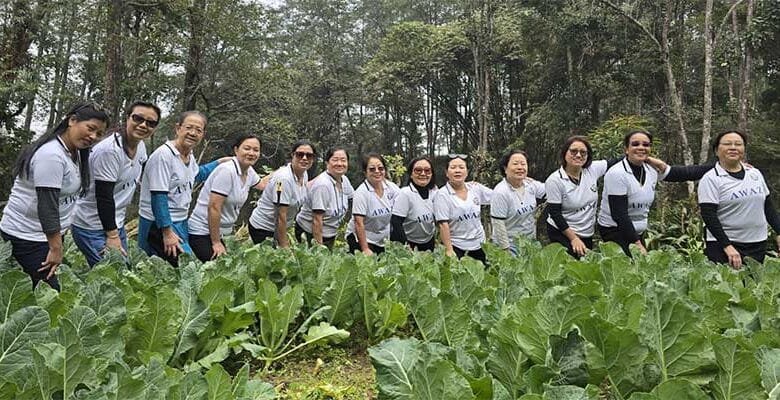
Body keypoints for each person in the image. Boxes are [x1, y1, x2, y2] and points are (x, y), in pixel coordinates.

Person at [0, 102, 108, 289]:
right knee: (49, 294)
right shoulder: (51, 155)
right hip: (27, 236)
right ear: (72, 120)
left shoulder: (74, 153)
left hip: (45, 237)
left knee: (41, 292)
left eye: (99, 134)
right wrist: (55, 248)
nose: (93, 136)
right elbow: (47, 206)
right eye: (90, 128)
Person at [71, 101, 160, 267]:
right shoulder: (110, 151)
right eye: (138, 118)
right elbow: (104, 197)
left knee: (120, 275)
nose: (143, 125)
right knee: (113, 276)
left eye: (150, 123)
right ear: (127, 118)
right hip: (92, 225)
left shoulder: (140, 147)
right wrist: (112, 236)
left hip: (116, 223)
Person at [597, 130, 714, 256]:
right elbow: (619, 214)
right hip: (614, 229)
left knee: (638, 268)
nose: (641, 147)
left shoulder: (651, 169)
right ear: (626, 149)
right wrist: (637, 244)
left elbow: (685, 173)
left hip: (637, 231)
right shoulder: (617, 173)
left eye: (646, 145)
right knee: (625, 268)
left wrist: (721, 165)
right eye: (635, 144)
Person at [137, 110, 230, 266]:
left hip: (179, 221)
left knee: (167, 269)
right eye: (189, 128)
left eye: (198, 130)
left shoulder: (188, 155)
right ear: (178, 128)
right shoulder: (164, 155)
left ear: (203, 134)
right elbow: (158, 196)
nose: (193, 133)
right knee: (186, 267)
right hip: (159, 224)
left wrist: (219, 162)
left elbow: (196, 174)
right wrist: (167, 233)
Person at [698, 130, 780, 269]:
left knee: (753, 288)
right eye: (727, 144)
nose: (733, 147)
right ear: (716, 150)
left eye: (738, 144)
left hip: (757, 243)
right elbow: (708, 215)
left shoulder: (754, 173)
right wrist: (727, 246)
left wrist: (779, 232)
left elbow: (767, 207)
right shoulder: (711, 179)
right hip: (725, 246)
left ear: (744, 149)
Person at [188, 134, 268, 262]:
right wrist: (216, 243)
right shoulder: (227, 171)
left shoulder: (249, 171)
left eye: (256, 150)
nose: (251, 153)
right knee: (217, 271)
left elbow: (263, 185)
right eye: (247, 148)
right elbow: (214, 207)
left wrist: (284, 171)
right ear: (236, 150)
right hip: (203, 232)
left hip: (223, 233)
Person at [248, 140, 315, 247]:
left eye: (309, 155)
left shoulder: (303, 173)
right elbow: (280, 216)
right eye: (300, 154)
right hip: (263, 228)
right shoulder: (284, 179)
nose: (304, 158)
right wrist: (284, 246)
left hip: (278, 228)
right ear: (292, 155)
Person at [433, 154, 493, 264]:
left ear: (467, 172)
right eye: (453, 167)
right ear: (446, 173)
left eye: (461, 167)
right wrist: (449, 250)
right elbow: (443, 224)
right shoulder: (442, 194)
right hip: (457, 246)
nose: (457, 171)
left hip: (480, 244)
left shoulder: (475, 188)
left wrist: (516, 180)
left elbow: (497, 196)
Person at [295, 147, 354, 249]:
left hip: (329, 233)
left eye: (343, 160)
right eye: (335, 160)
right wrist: (319, 247)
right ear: (327, 163)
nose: (340, 163)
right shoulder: (323, 185)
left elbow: (354, 199)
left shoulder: (344, 180)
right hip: (310, 233)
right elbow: (317, 220)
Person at [490, 150, 545, 254]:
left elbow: (551, 190)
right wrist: (506, 252)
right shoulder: (501, 192)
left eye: (523, 164)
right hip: (508, 246)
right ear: (505, 168)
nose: (520, 167)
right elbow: (498, 224)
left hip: (529, 244)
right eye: (515, 164)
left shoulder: (531, 185)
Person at [345, 153, 400, 255]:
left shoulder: (392, 188)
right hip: (361, 238)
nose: (377, 172)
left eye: (380, 168)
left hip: (382, 239)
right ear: (365, 172)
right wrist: (365, 249)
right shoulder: (361, 193)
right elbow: (358, 223)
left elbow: (401, 212)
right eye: (372, 169)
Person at [390, 157, 438, 251]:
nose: (423, 173)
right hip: (408, 242)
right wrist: (405, 245)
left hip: (428, 241)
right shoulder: (405, 193)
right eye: (418, 170)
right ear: (411, 174)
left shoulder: (435, 191)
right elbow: (396, 222)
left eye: (427, 170)